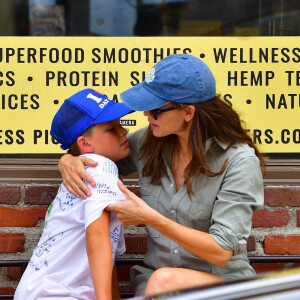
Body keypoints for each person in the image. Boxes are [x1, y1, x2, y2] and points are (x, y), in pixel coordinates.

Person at [58, 54, 264, 297]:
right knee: (162, 280)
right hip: (157, 288)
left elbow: (221, 251)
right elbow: (96, 154)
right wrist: (68, 160)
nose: (147, 115)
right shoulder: (150, 142)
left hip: (221, 287)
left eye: (155, 110)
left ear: (188, 112)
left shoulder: (238, 161)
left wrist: (151, 218)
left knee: (164, 279)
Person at [14, 88, 133, 300]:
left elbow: (108, 258)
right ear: (85, 144)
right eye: (111, 129)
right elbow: (97, 238)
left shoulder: (88, 172)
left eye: (120, 124)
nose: (123, 131)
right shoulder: (101, 168)